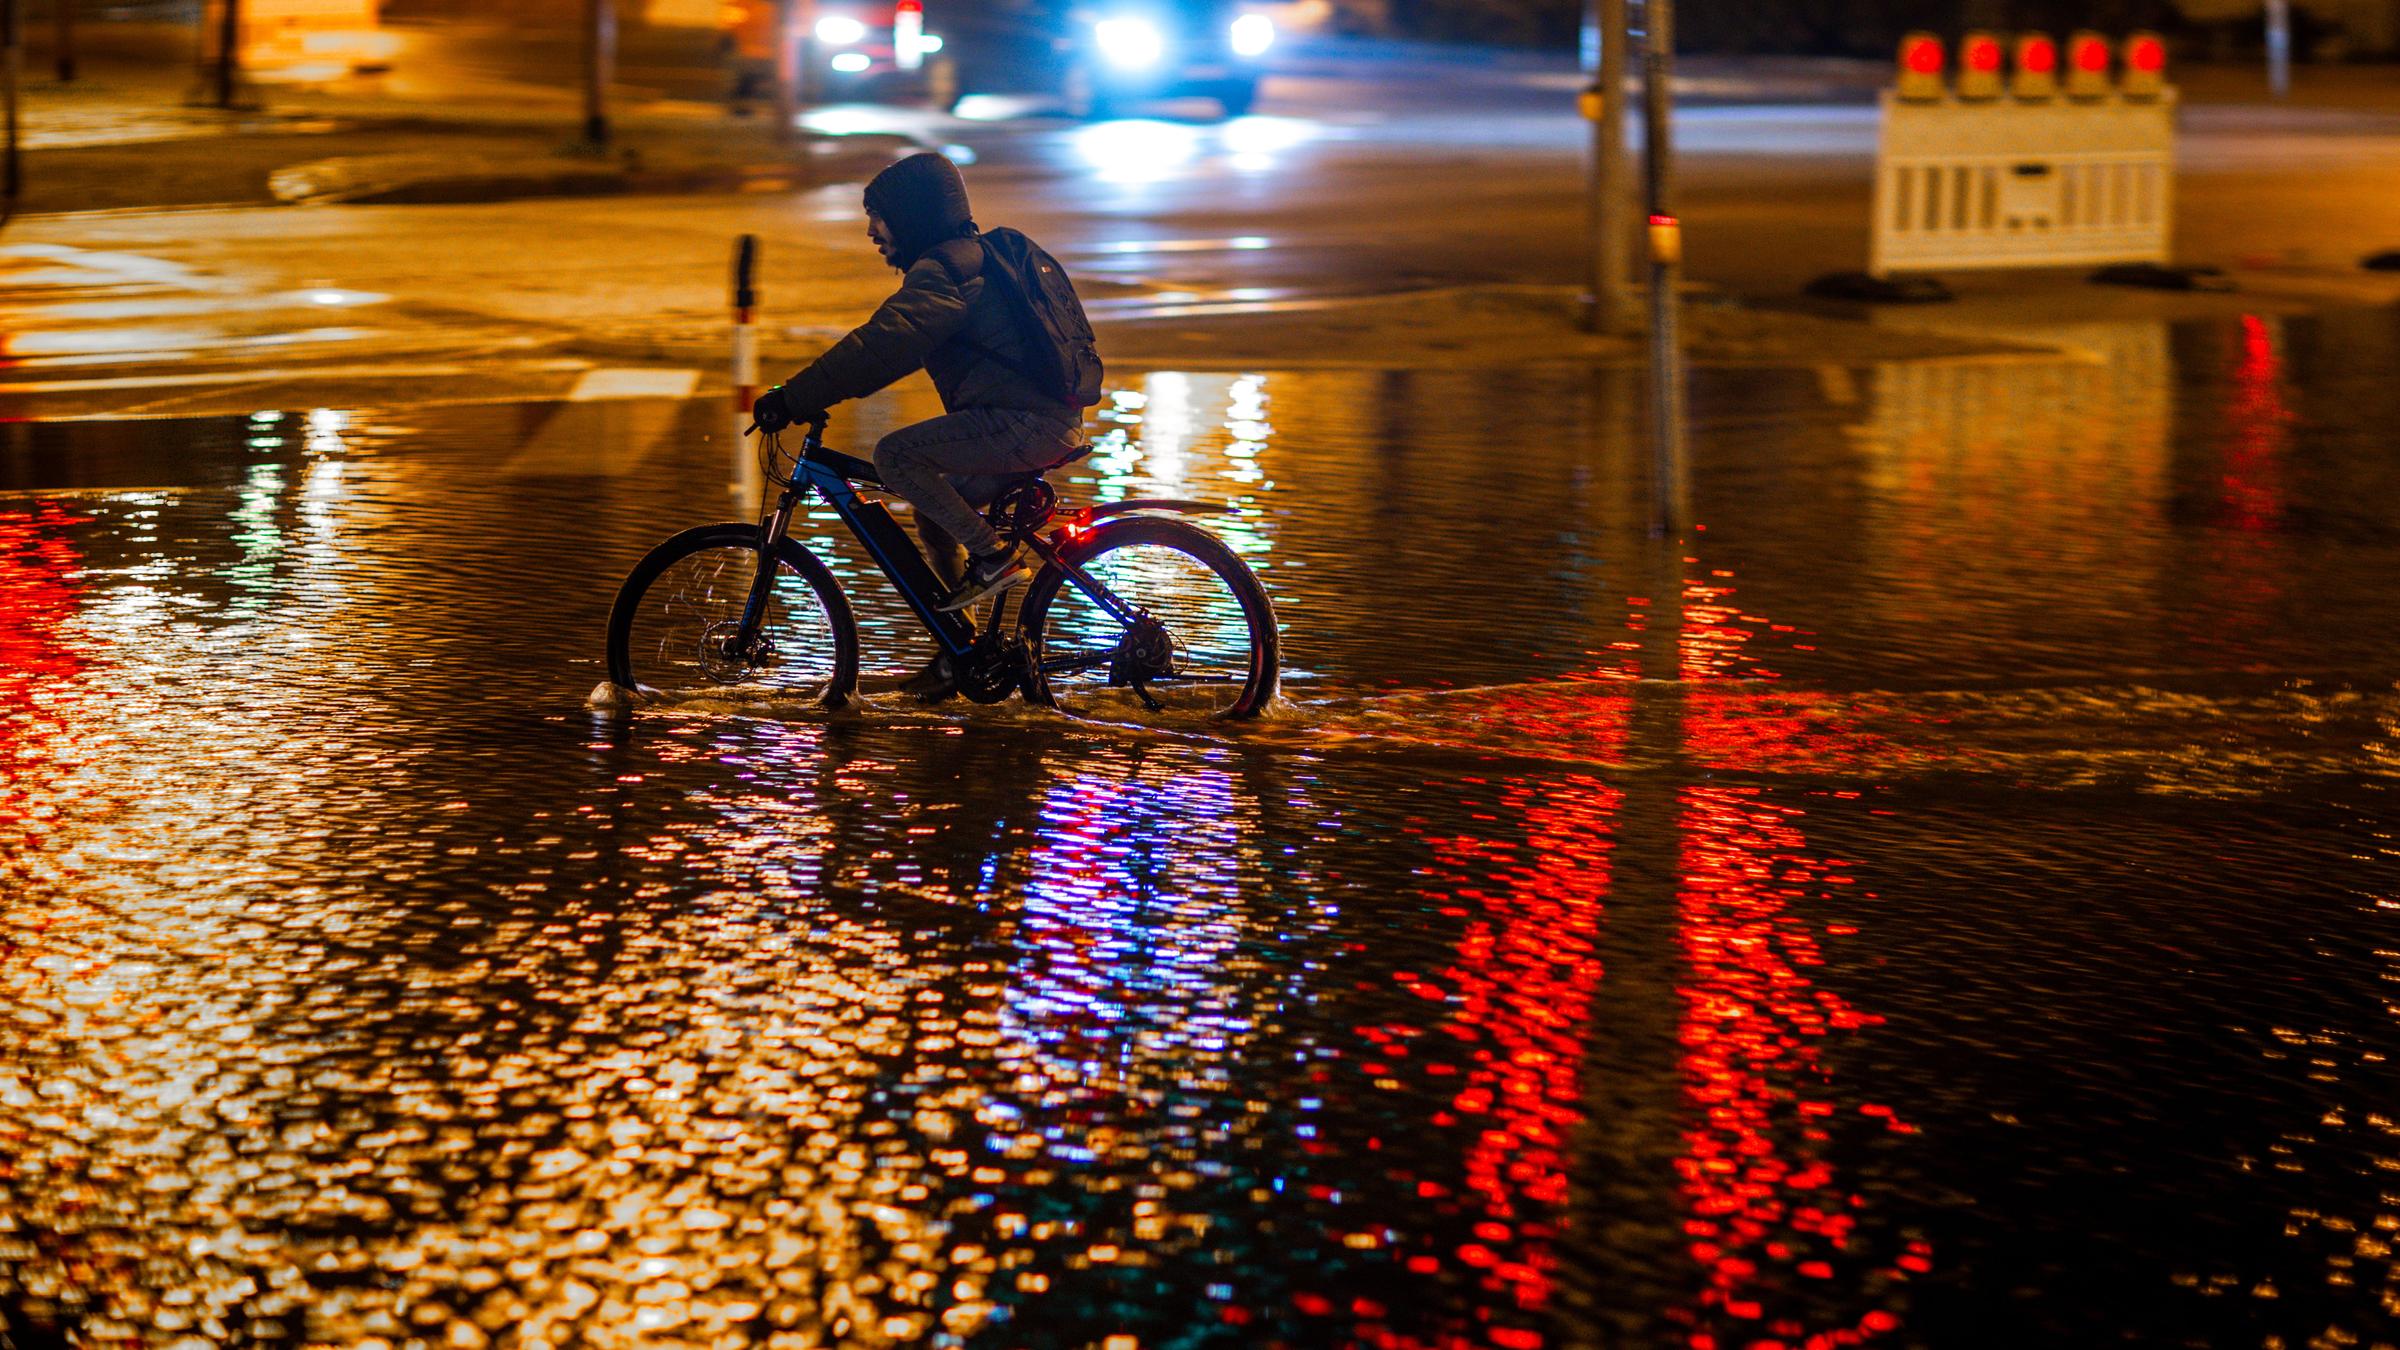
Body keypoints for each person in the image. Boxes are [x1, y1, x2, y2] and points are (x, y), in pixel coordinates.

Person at [750, 152, 1088, 694]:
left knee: (896, 456)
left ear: (911, 217)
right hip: (1040, 421)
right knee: (935, 514)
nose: (871, 232)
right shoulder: (971, 259)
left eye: (879, 218)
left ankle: (995, 559)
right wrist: (821, 389)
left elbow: (882, 344)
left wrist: (793, 398)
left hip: (1023, 424)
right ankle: (960, 655)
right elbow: (894, 352)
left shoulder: (946, 271)